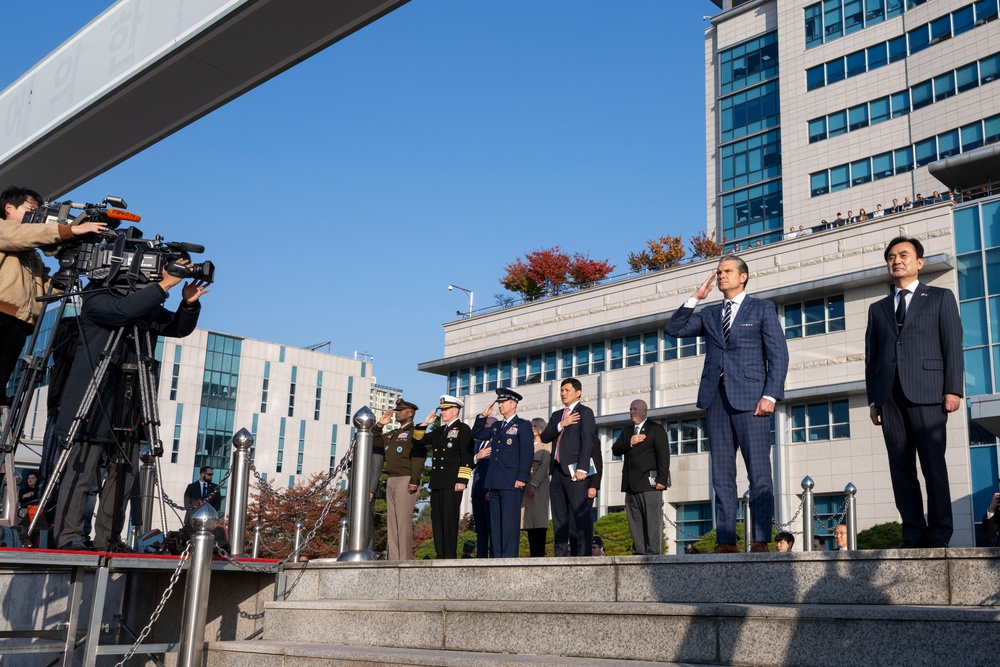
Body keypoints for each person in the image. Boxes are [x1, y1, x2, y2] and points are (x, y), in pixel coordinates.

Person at [52, 264, 207, 551]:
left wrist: (188, 305)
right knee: (81, 471)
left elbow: (175, 328)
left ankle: (108, 538)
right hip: (93, 398)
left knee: (124, 473)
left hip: (132, 399)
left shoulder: (145, 304)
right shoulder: (98, 295)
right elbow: (123, 311)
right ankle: (69, 536)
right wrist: (162, 287)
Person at [664, 255, 788, 553]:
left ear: (743, 276)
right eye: (718, 272)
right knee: (721, 476)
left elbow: (778, 355)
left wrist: (770, 395)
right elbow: (674, 329)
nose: (721, 276)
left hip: (752, 400)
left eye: (727, 271)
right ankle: (725, 541)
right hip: (716, 400)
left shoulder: (761, 308)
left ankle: (759, 539)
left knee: (759, 474)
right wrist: (696, 297)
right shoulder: (709, 312)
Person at [865, 236, 963, 548]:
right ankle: (912, 530)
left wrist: (953, 389)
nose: (897, 260)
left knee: (933, 464)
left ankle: (939, 530)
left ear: (919, 262)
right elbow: (872, 356)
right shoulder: (877, 308)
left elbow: (952, 346)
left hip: (929, 392)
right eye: (891, 256)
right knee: (900, 467)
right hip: (889, 397)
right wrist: (873, 399)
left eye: (904, 255)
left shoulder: (939, 297)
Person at [0, 186, 107, 404]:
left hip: (19, 323)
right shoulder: (4, 230)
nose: (37, 215)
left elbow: (45, 290)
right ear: (8, 208)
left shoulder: (30, 255)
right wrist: (69, 230)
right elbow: (17, 235)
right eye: (31, 209)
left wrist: (71, 271)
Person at [471, 388, 533, 558]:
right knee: (495, 523)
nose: (500, 405)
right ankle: (497, 558)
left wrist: (522, 477)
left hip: (512, 481)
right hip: (494, 481)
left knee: (509, 523)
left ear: (513, 404)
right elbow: (476, 433)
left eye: (503, 402)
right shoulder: (497, 426)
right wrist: (483, 416)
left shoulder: (523, 425)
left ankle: (509, 557)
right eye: (499, 402)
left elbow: (527, 453)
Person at [541, 378, 597, 557]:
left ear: (578, 392)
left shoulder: (585, 412)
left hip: (575, 472)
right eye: (561, 390)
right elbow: (544, 437)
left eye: (567, 390)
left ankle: (584, 555)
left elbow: (587, 441)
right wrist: (561, 424)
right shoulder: (558, 415)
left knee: (579, 515)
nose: (563, 393)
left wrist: (582, 468)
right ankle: (560, 555)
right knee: (559, 517)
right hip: (556, 471)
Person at [414, 395, 472, 559]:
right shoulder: (439, 431)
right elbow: (417, 441)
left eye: (446, 409)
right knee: (437, 521)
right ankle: (440, 553)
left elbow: (467, 456)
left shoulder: (463, 429)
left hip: (452, 482)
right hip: (437, 482)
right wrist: (425, 424)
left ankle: (449, 555)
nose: (443, 413)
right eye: (442, 410)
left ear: (455, 411)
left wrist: (462, 480)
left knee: (449, 519)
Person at [611, 399, 670, 555]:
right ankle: (639, 552)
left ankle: (653, 554)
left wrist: (662, 479)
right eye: (630, 409)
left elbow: (663, 456)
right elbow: (615, 450)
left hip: (649, 483)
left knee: (652, 521)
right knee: (635, 521)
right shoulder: (627, 431)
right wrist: (630, 442)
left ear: (645, 411)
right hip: (631, 484)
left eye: (635, 409)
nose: (632, 412)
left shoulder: (655, 429)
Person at [372, 398, 425, 560]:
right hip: (392, 479)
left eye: (400, 411)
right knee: (392, 524)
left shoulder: (414, 433)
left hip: (406, 479)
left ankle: (404, 560)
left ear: (410, 414)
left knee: (403, 523)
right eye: (396, 410)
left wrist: (414, 480)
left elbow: (418, 457)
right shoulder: (394, 433)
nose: (397, 413)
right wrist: (381, 424)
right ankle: (393, 559)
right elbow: (374, 440)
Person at [522, 417, 551, 557]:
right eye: (531, 426)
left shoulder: (547, 444)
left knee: (539, 520)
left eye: (535, 426)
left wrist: (533, 484)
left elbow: (545, 467)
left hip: (540, 485)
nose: (532, 428)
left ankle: (539, 554)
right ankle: (532, 554)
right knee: (528, 521)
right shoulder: (526, 444)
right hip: (525, 485)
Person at [469, 416, 495, 557]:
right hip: (476, 491)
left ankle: (493, 557)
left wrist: (491, 489)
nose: (484, 426)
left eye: (487, 424)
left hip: (488, 491)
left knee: (491, 527)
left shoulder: (496, 444)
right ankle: (481, 557)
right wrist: (477, 457)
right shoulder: (477, 444)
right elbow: (469, 464)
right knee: (480, 529)